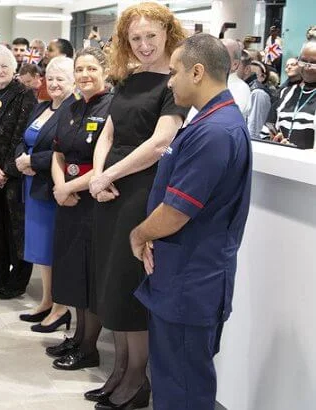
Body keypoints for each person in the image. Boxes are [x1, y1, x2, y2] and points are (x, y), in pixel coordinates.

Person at [132, 33, 252, 410]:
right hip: (181, 279)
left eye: (175, 72)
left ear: (197, 72)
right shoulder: (209, 123)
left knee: (182, 389)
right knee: (172, 380)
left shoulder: (215, 132)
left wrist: (140, 233)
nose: (169, 81)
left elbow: (176, 212)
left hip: (191, 283)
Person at [87, 3, 188, 408]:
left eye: (151, 36)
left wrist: (108, 176)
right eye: (135, 39)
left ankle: (136, 380)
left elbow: (160, 142)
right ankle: (119, 371)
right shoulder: (127, 80)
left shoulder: (175, 84)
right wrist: (98, 178)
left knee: (132, 287)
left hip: (142, 191)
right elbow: (107, 134)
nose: (144, 45)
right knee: (112, 284)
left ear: (167, 33)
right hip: (109, 191)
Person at [46, 47, 112, 366]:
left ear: (105, 72)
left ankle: (89, 347)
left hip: (92, 202)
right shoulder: (70, 107)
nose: (85, 75)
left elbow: (105, 163)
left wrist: (68, 188)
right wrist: (60, 187)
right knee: (72, 273)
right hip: (67, 199)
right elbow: (58, 153)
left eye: (91, 69)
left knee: (90, 276)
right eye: (80, 69)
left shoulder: (113, 106)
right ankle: (77, 338)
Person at [14, 56, 75, 330]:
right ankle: (47, 301)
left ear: (73, 81)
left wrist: (33, 162)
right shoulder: (41, 108)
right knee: (41, 251)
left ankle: (61, 308)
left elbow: (68, 150)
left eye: (61, 79)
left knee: (55, 250)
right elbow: (23, 138)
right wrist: (19, 159)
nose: (54, 84)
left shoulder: (74, 110)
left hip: (54, 188)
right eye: (50, 78)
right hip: (32, 186)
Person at [0, 45, 36, 299]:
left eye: (4, 66)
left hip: (16, 174)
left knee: (17, 227)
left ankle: (17, 281)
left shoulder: (26, 95)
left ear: (14, 69)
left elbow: (23, 136)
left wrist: (7, 170)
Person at [261, 41, 316, 148]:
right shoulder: (285, 93)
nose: (307, 67)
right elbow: (266, 130)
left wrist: (295, 150)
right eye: (303, 61)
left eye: (314, 63)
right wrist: (274, 139)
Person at [247, 60, 272, 139]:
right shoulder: (246, 90)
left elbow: (254, 127)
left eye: (254, 75)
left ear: (263, 77)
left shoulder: (258, 93)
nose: (250, 77)